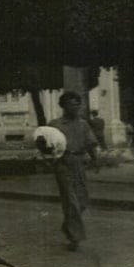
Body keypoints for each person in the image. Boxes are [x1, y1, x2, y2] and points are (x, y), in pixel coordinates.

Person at [41, 91, 99, 252]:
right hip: (63, 163)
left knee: (82, 200)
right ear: (63, 106)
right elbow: (44, 145)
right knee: (71, 201)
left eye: (78, 104)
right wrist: (49, 160)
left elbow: (90, 144)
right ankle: (75, 237)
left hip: (79, 163)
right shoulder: (55, 125)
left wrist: (95, 160)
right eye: (71, 104)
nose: (76, 107)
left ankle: (68, 226)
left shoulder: (83, 124)